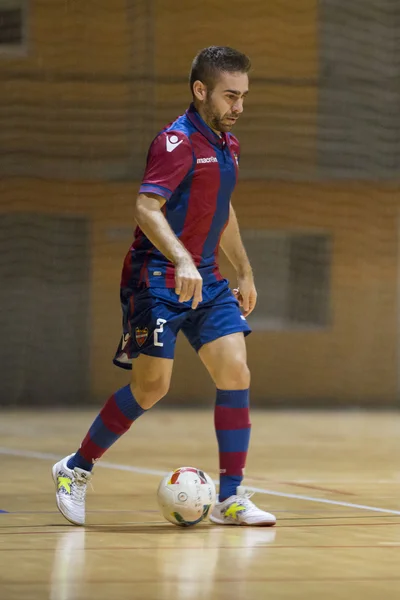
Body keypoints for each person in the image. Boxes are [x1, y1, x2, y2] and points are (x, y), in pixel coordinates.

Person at [52, 46, 276, 527]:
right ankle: (75, 468)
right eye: (230, 96)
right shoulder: (175, 142)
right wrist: (181, 260)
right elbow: (146, 208)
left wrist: (245, 272)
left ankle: (230, 499)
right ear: (200, 91)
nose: (238, 106)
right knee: (152, 387)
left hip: (208, 278)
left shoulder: (227, 145)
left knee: (235, 371)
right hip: (155, 276)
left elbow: (224, 211)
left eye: (243, 96)